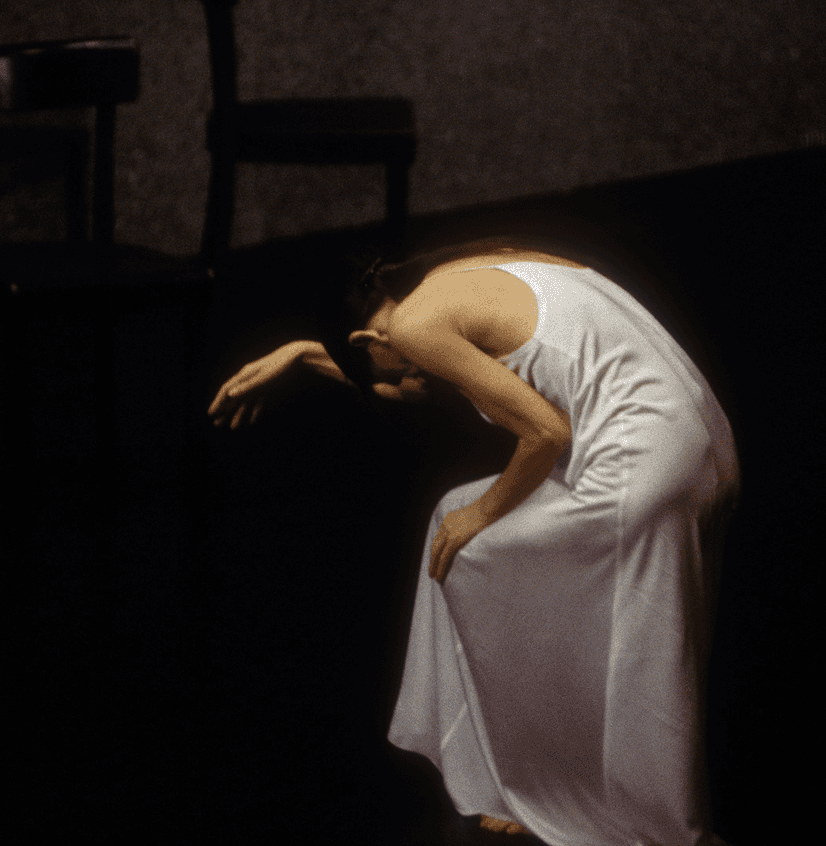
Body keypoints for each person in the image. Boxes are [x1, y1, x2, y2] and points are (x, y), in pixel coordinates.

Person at [208, 237, 739, 846]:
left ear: (367, 342)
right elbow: (406, 383)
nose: (406, 377)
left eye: (385, 363)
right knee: (449, 515)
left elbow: (544, 432)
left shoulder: (413, 324)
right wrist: (305, 355)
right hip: (698, 441)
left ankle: (563, 791)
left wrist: (484, 513)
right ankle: (498, 775)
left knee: (469, 545)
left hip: (646, 470)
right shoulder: (450, 276)